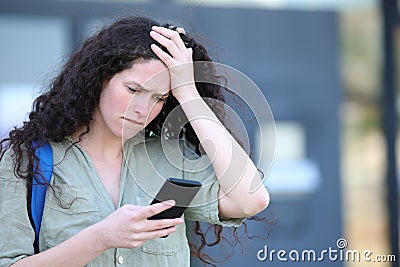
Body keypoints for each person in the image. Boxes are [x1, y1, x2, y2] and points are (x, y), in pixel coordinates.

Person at [0, 16, 270, 267]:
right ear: (98, 79)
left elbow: (250, 198)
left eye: (159, 98)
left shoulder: (169, 157)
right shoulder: (27, 160)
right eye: (133, 89)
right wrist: (101, 238)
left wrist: (188, 93)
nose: (141, 109)